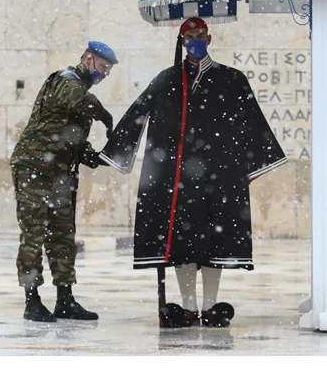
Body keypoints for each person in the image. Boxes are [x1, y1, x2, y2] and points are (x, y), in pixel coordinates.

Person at [100, 17, 287, 328]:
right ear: (182, 41)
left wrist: (246, 165)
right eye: (190, 37)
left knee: (216, 243)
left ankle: (211, 306)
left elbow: (252, 122)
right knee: (182, 242)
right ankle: (188, 307)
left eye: (201, 35)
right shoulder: (167, 79)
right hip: (179, 179)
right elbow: (139, 112)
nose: (196, 41)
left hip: (219, 176)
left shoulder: (232, 79)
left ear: (209, 39)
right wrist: (115, 152)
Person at [10, 41, 117, 322]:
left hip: (59, 173)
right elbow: (78, 101)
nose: (105, 73)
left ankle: (65, 300)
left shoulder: (80, 92)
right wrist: (106, 116)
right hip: (33, 167)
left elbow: (68, 134)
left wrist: (92, 155)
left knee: (62, 236)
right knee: (33, 234)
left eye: (109, 69)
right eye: (103, 66)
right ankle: (32, 302)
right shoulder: (66, 80)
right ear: (88, 59)